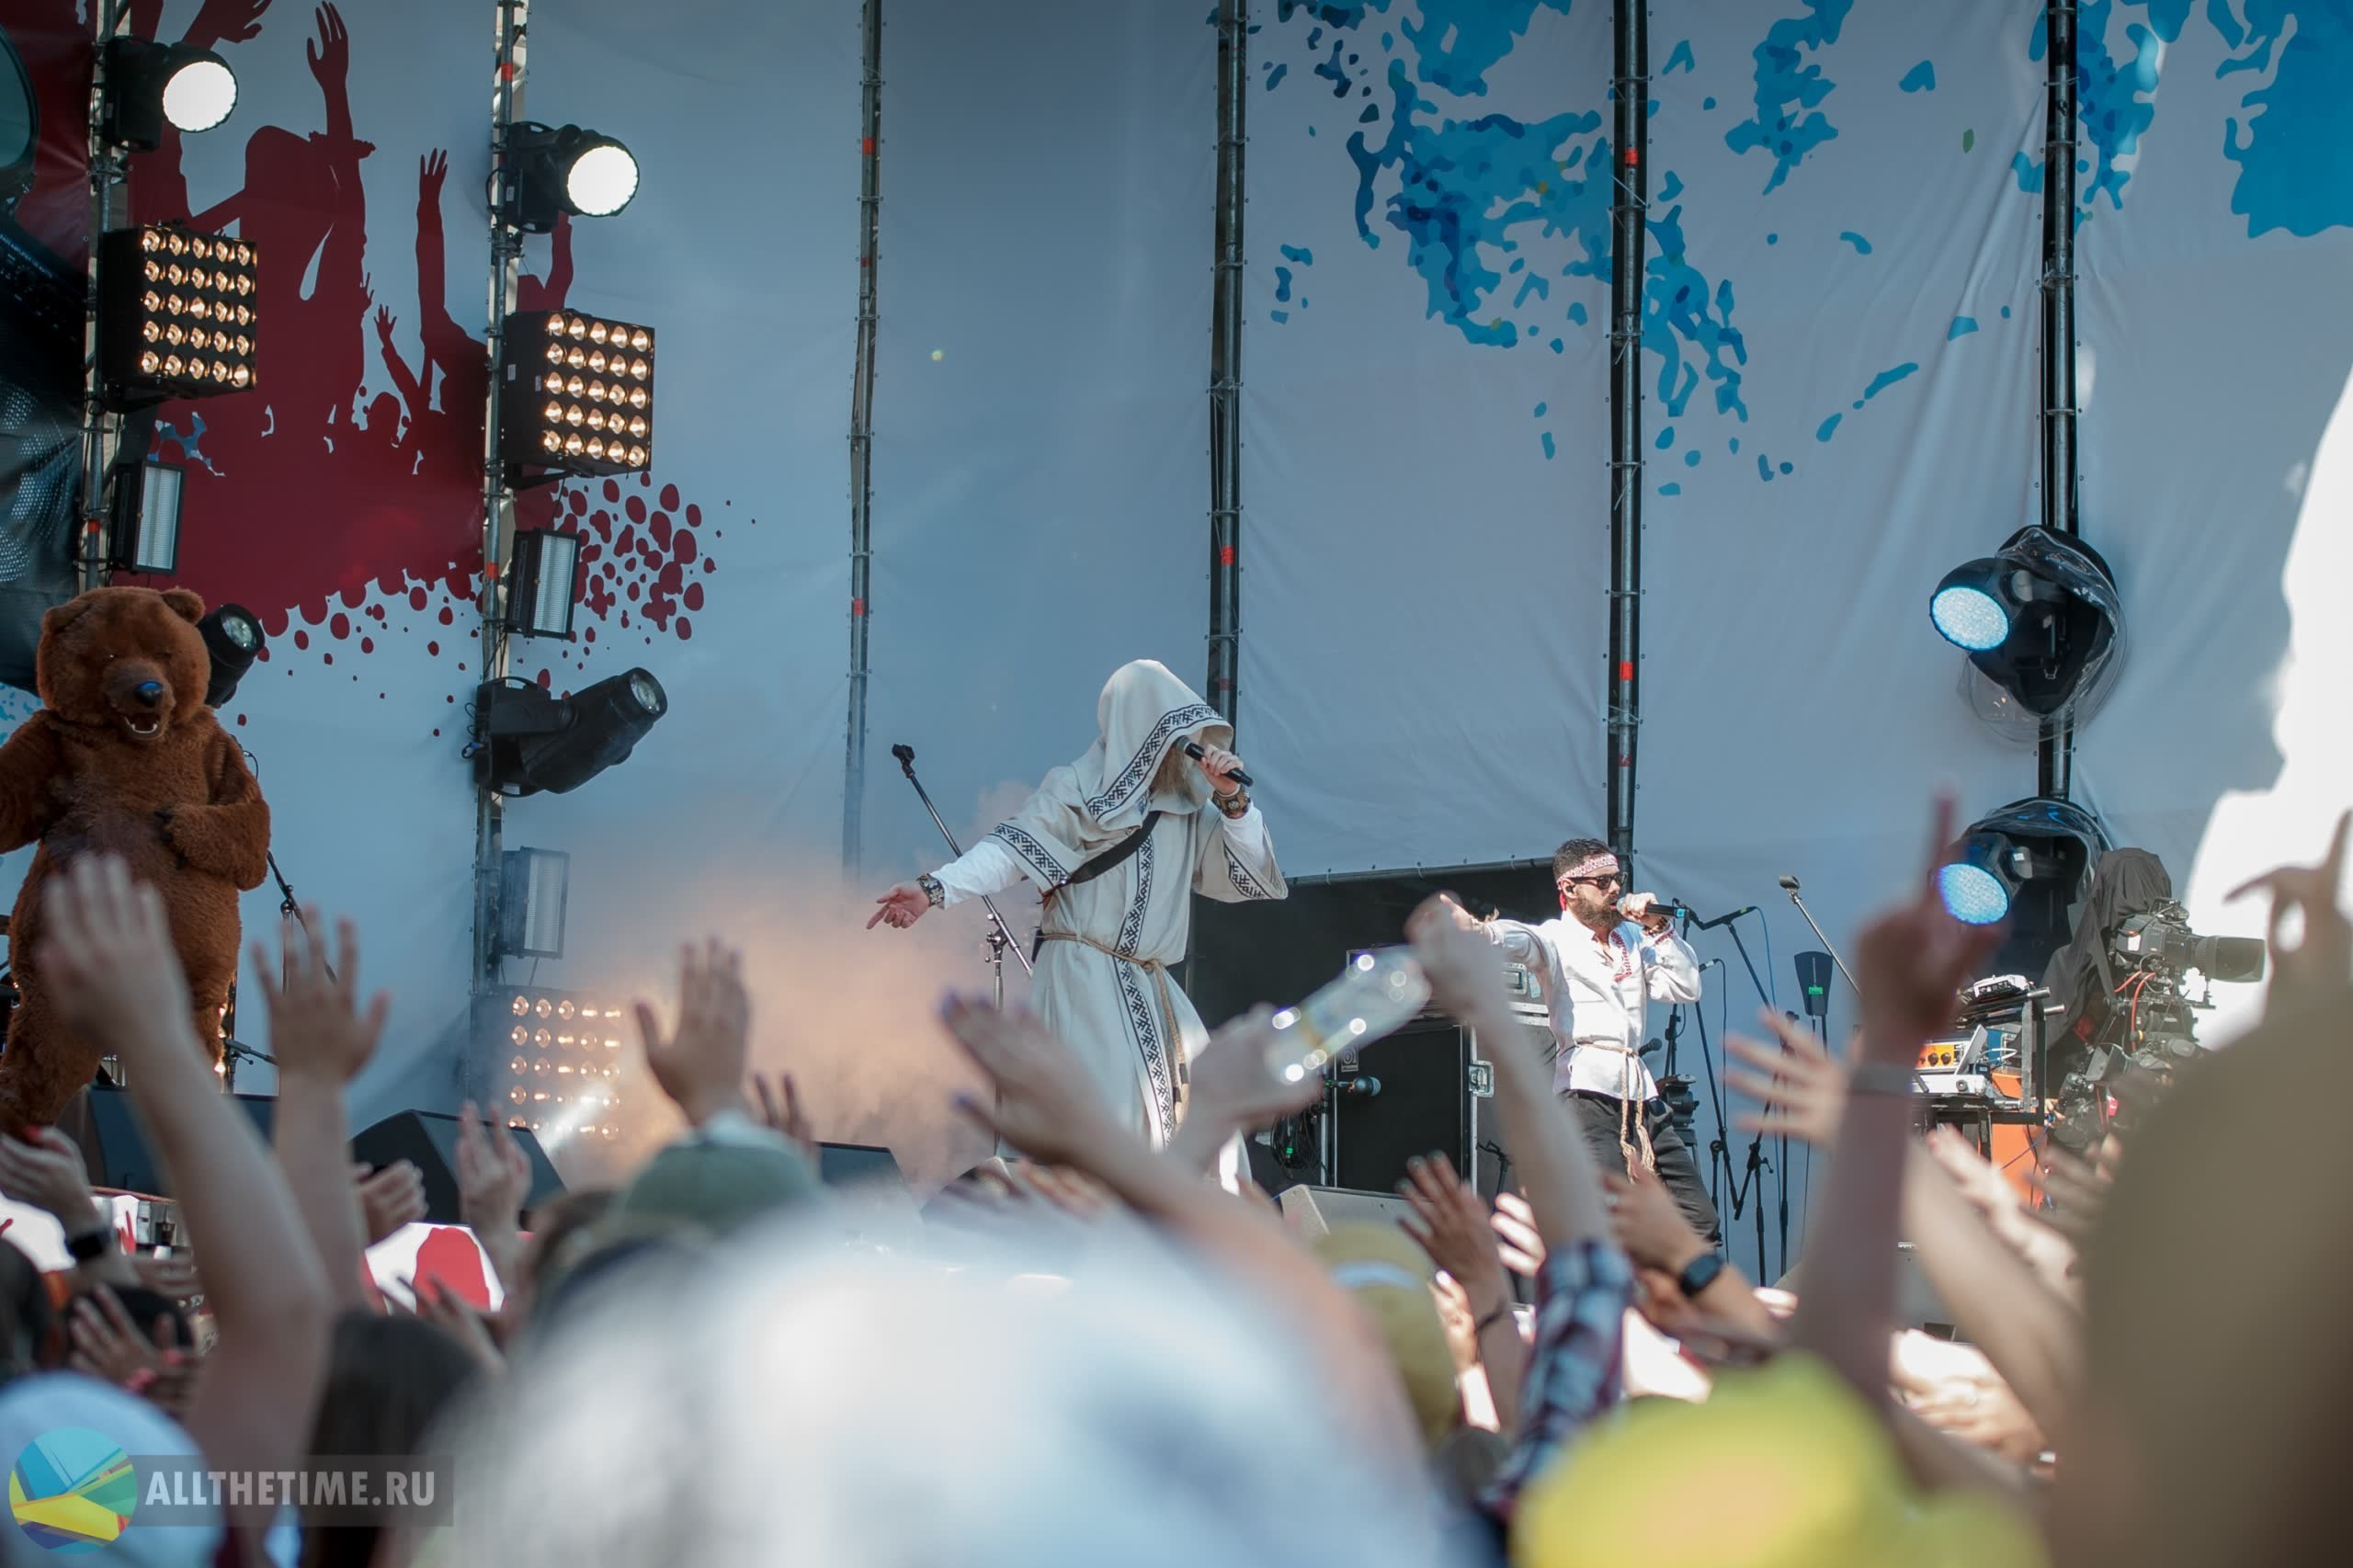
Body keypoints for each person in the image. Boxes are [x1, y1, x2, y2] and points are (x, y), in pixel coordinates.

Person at [869, 661, 1286, 1155]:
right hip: (1082, 978)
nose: (1185, 741)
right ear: (1142, 727)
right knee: (1101, 1127)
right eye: (1173, 727)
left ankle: (1184, 1226)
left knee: (1205, 1132)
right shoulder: (1078, 786)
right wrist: (934, 888)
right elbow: (1010, 852)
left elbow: (1248, 872)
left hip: (1151, 987)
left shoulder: (1187, 809)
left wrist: (1232, 798)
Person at [1447, 837, 1719, 1248]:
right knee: (1603, 1219)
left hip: (1640, 1096)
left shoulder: (1633, 937)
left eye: (1618, 879)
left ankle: (1686, 1306)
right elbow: (1518, 939)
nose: (1615, 889)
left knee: (1699, 1219)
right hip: (1587, 1093)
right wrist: (1479, 930)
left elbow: (1685, 987)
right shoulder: (1556, 938)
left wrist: (1660, 929)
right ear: (1570, 889)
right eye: (1603, 881)